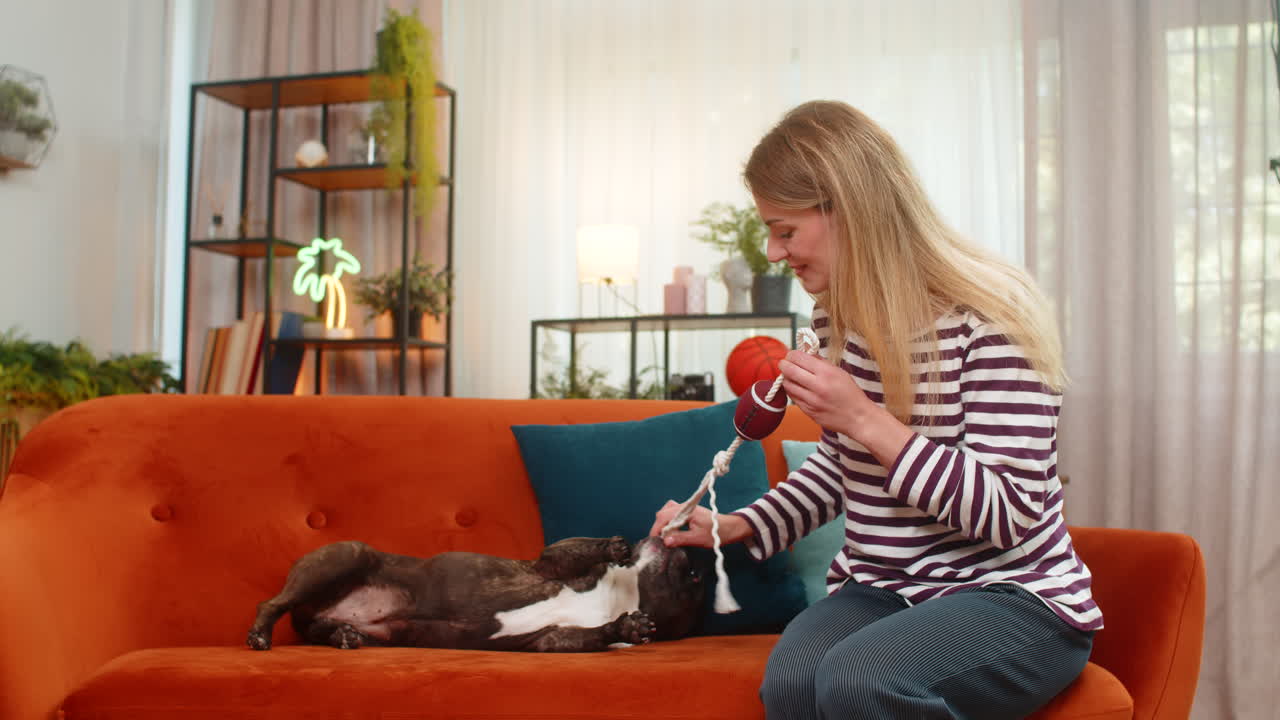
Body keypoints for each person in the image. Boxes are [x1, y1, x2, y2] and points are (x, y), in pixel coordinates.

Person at [650, 101, 1100, 720]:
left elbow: (1011, 515)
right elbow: (843, 468)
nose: (775, 254)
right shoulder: (839, 316)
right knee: (793, 685)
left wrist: (864, 416)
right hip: (887, 589)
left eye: (787, 230)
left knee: (860, 681)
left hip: (1015, 598)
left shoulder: (990, 317)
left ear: (848, 209)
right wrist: (737, 526)